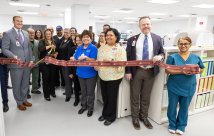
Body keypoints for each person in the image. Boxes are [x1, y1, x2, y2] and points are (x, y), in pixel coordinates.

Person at [125, 16, 164, 130]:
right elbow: (128, 56)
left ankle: (144, 117)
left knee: (146, 96)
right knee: (135, 96)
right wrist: (128, 71)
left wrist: (160, 56)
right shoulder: (132, 39)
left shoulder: (157, 38)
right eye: (143, 24)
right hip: (136, 71)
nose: (146, 26)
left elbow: (162, 53)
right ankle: (135, 118)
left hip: (151, 71)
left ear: (151, 25)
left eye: (148, 24)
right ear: (139, 26)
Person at [165, 37, 204, 135]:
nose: (183, 46)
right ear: (178, 45)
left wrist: (196, 70)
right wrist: (182, 71)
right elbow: (167, 70)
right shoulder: (172, 57)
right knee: (172, 107)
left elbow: (202, 68)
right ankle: (172, 125)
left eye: (186, 43)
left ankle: (181, 126)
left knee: (184, 107)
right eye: (181, 44)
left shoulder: (196, 57)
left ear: (190, 45)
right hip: (174, 86)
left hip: (189, 87)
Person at [95, 28, 126, 126]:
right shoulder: (101, 48)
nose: (108, 37)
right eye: (107, 35)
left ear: (116, 37)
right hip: (103, 76)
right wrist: (96, 65)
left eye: (111, 35)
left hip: (114, 77)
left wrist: (111, 62)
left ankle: (111, 117)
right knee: (105, 97)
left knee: (111, 97)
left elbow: (122, 64)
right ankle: (105, 114)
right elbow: (98, 60)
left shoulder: (120, 49)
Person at [2, 16, 33, 111]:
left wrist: (31, 59)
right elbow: (4, 49)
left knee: (25, 83)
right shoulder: (7, 34)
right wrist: (13, 56)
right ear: (13, 22)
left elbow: (29, 48)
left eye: (21, 21)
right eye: (17, 21)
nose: (20, 23)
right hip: (15, 64)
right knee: (16, 84)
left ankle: (24, 99)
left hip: (27, 64)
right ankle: (19, 102)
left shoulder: (25, 33)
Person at [74, 30, 98, 117]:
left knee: (90, 92)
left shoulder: (93, 48)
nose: (85, 38)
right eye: (84, 37)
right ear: (81, 39)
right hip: (80, 73)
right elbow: (76, 57)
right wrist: (78, 58)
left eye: (88, 37)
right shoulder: (79, 47)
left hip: (91, 74)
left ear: (91, 39)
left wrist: (86, 58)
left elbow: (94, 60)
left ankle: (90, 108)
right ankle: (83, 106)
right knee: (83, 92)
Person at [57, 28, 76, 102]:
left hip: (68, 63)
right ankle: (69, 91)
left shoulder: (71, 42)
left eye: (67, 32)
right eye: (64, 32)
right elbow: (60, 51)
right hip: (62, 63)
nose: (66, 34)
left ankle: (68, 95)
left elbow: (69, 53)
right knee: (65, 79)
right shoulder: (63, 41)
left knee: (68, 79)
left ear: (70, 33)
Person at [38, 29, 57, 101]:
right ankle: (46, 95)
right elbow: (41, 49)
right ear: (45, 35)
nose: (48, 35)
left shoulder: (53, 41)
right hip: (44, 63)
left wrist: (55, 54)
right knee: (45, 79)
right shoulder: (42, 41)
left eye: (50, 34)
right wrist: (50, 46)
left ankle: (52, 92)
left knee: (52, 78)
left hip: (52, 63)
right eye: (47, 34)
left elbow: (55, 50)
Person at [27, 28, 41, 94]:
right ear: (27, 33)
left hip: (36, 62)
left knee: (35, 77)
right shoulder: (24, 42)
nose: (32, 34)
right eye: (30, 33)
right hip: (27, 63)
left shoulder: (37, 42)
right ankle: (26, 92)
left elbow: (39, 52)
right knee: (26, 78)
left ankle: (34, 89)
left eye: (33, 33)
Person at [0, 35, 9, 112]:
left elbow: (5, 52)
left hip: (2, 66)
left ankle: (5, 103)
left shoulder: (2, 40)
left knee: (3, 84)